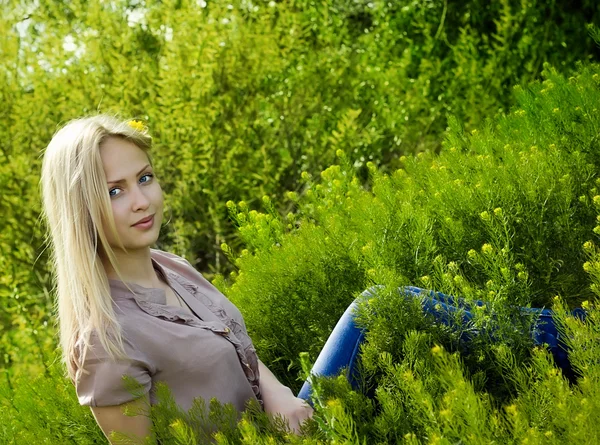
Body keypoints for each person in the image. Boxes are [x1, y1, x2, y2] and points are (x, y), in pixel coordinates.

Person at [40, 114, 313, 444]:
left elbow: (235, 347)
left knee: (371, 308)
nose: (142, 202)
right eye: (114, 191)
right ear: (79, 209)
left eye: (144, 178)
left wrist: (280, 395)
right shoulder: (106, 340)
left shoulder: (173, 267)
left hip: (288, 430)